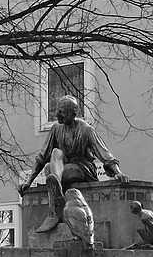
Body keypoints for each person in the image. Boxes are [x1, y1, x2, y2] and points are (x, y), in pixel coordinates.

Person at [18, 95, 129, 233]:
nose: (57, 114)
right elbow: (42, 157)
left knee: (52, 170)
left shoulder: (86, 130)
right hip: (60, 167)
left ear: (73, 114)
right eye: (57, 110)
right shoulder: (56, 129)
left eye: (62, 112)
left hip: (82, 169)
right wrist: (29, 181)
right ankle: (56, 185)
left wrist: (117, 172)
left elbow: (105, 154)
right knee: (54, 155)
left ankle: (56, 195)